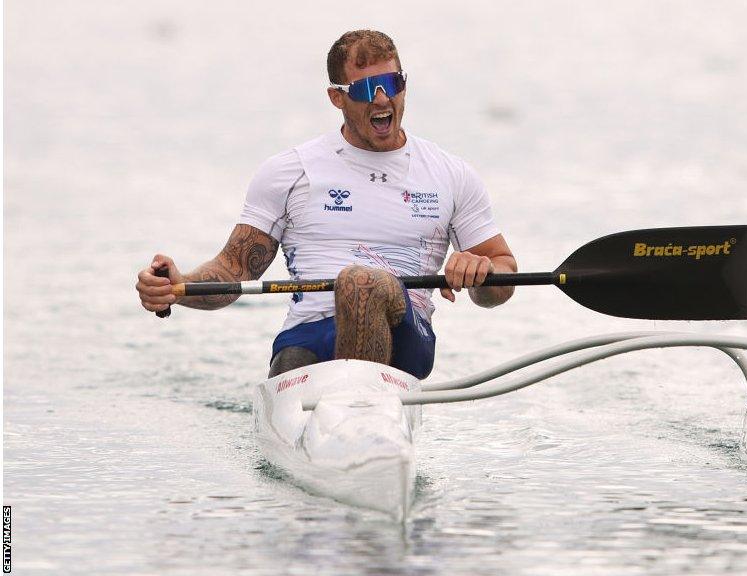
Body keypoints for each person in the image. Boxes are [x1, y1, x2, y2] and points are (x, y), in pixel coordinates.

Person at [135, 30, 516, 379]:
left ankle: (354, 412)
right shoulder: (290, 172)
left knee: (359, 282)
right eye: (366, 89)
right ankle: (338, 421)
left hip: (405, 338)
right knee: (294, 356)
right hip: (309, 335)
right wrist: (179, 286)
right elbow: (234, 269)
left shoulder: (450, 174)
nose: (382, 98)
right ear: (337, 97)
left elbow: (503, 273)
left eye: (391, 83)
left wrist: (481, 271)